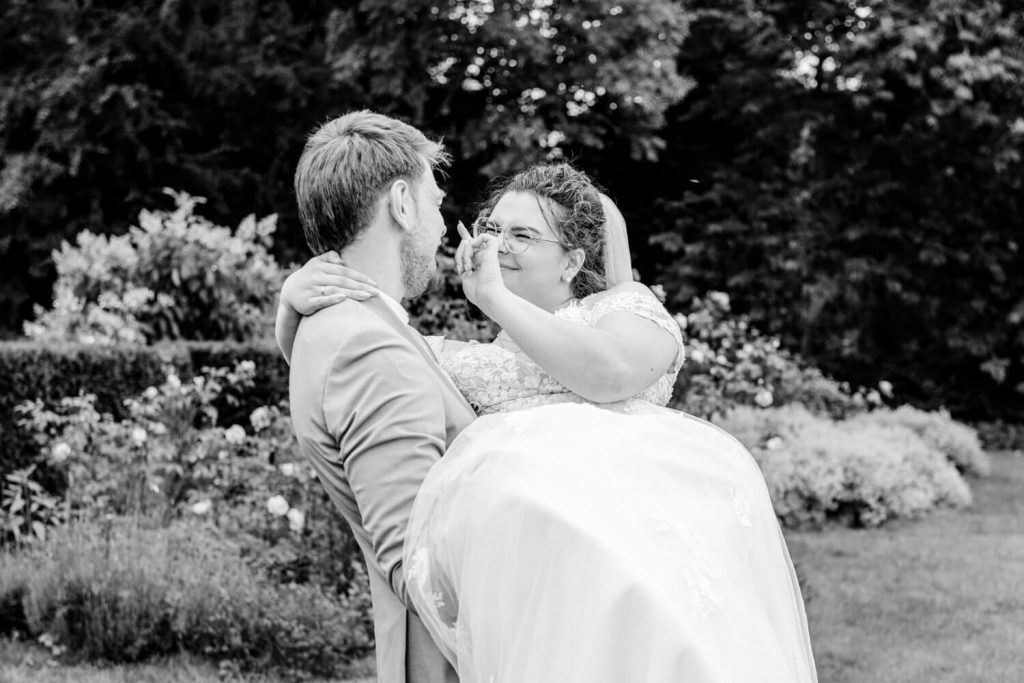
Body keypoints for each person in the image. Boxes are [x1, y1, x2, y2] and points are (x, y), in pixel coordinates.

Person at [279, 160, 819, 681]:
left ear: (571, 261)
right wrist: (292, 305)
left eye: (522, 235)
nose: (497, 244)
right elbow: (369, 356)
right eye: (491, 229)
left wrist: (491, 297)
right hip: (548, 593)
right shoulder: (465, 359)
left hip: (648, 574)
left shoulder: (622, 306)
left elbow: (610, 373)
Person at [285, 110, 472, 683]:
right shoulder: (367, 348)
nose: (443, 226)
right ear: (402, 203)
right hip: (454, 661)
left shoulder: (339, 328)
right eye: (435, 202)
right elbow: (418, 565)